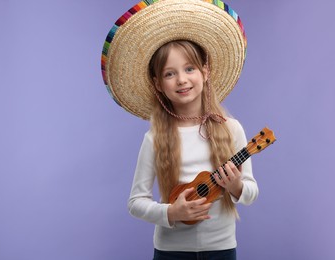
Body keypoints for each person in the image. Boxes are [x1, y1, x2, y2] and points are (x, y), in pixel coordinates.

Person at [101, 1, 259, 259]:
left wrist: (237, 186)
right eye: (169, 74)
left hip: (221, 250)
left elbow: (251, 192)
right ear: (158, 84)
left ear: (205, 71)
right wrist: (171, 214)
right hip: (170, 252)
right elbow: (135, 202)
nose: (182, 80)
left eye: (189, 68)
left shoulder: (231, 129)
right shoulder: (155, 138)